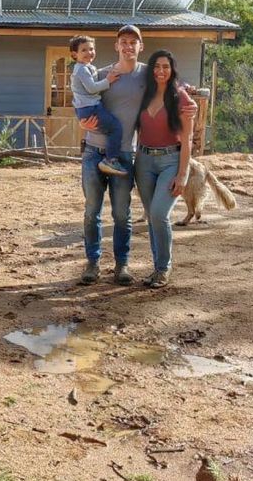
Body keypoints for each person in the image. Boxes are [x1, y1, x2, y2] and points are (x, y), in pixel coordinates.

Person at [78, 24, 196, 287]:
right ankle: (93, 263)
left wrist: (191, 100)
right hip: (93, 152)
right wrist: (81, 123)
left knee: (122, 213)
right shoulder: (101, 74)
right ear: (116, 46)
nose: (128, 46)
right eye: (124, 42)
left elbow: (174, 82)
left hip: (123, 154)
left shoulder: (148, 74)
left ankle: (122, 265)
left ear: (141, 46)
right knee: (91, 211)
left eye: (134, 42)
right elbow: (82, 101)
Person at [134, 50, 195, 289]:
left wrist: (183, 174)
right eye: (157, 66)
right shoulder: (142, 95)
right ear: (151, 70)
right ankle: (157, 267)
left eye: (166, 67)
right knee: (152, 217)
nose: (161, 71)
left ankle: (164, 267)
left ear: (172, 70)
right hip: (144, 161)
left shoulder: (181, 98)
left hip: (171, 160)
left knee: (160, 214)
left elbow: (188, 139)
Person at [69, 35, 125, 176]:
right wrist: (109, 80)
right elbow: (92, 88)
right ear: (74, 54)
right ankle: (110, 160)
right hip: (90, 108)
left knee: (107, 127)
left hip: (86, 108)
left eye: (92, 49)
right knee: (115, 127)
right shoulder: (81, 70)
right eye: (84, 50)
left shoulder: (86, 67)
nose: (89, 52)